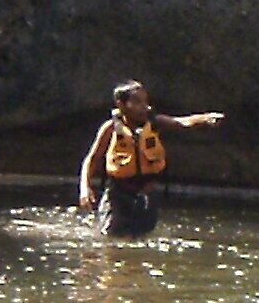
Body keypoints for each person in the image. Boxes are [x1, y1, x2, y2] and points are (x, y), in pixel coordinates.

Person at [75, 80, 226, 238]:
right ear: (121, 104)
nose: (145, 106)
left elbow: (181, 122)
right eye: (137, 102)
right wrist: (85, 188)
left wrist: (206, 118)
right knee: (110, 237)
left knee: (142, 237)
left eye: (145, 101)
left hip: (147, 193)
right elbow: (92, 159)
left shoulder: (154, 123)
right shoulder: (110, 128)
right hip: (118, 194)